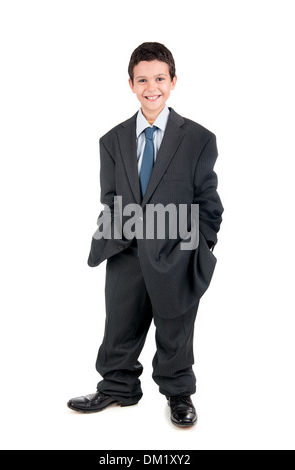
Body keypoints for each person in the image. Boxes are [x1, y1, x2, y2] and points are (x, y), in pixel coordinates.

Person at [68, 42, 224, 427]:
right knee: (120, 323)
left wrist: (199, 246)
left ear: (173, 82)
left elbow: (207, 199)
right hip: (127, 250)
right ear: (131, 84)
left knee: (176, 328)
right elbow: (110, 198)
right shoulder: (113, 140)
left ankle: (178, 393)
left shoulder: (198, 139)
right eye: (142, 80)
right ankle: (117, 387)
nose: (151, 87)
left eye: (159, 78)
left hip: (177, 251)